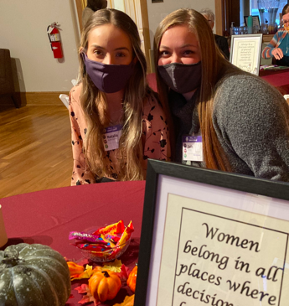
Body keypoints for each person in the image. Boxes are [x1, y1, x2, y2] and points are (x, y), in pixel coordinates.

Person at [154, 8, 289, 181]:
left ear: (208, 53)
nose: (174, 62)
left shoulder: (242, 99)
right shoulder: (170, 104)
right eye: (165, 53)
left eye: (187, 52)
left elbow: (280, 183)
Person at [70, 8, 170, 185]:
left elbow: (158, 176)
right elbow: (80, 165)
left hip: (139, 191)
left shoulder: (150, 107)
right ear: (84, 54)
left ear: (134, 59)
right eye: (98, 52)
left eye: (120, 54)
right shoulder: (78, 97)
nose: (109, 63)